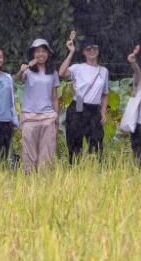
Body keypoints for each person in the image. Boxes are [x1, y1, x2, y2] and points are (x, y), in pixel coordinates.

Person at [59, 34, 110, 162]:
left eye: (94, 48)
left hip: (94, 110)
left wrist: (103, 112)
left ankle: (94, 169)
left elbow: (105, 94)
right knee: (74, 143)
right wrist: (71, 52)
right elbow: (62, 73)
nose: (92, 51)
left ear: (98, 50)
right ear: (83, 52)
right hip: (78, 106)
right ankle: (74, 168)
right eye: (88, 49)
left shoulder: (104, 71)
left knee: (96, 143)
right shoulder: (78, 67)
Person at [18, 39, 60, 172]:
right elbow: (19, 79)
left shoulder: (53, 73)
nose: (41, 54)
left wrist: (57, 121)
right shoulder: (28, 71)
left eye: (43, 51)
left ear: (48, 54)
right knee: (28, 154)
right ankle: (29, 180)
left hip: (48, 117)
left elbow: (54, 98)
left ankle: (44, 181)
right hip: (29, 116)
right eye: (38, 51)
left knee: (47, 154)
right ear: (33, 54)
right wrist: (21, 71)